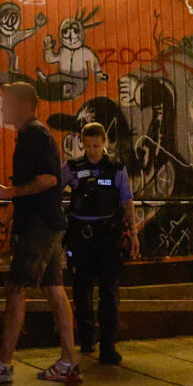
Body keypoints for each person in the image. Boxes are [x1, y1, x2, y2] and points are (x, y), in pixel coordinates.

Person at [0, 80, 81, 385]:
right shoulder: (31, 135)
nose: (2, 108)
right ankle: (69, 360)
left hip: (39, 228)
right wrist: (1, 224)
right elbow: (31, 190)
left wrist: (9, 191)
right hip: (46, 224)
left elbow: (47, 180)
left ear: (25, 105)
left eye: (7, 103)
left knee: (16, 289)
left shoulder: (34, 135)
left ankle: (4, 362)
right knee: (54, 290)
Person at [63, 121, 134, 366]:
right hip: (81, 236)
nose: (93, 150)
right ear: (81, 143)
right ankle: (86, 338)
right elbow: (54, 188)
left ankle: (108, 345)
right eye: (88, 145)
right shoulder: (73, 168)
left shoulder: (115, 169)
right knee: (81, 291)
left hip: (107, 236)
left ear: (104, 143)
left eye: (97, 145)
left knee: (109, 294)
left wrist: (133, 233)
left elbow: (126, 201)